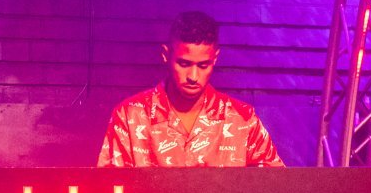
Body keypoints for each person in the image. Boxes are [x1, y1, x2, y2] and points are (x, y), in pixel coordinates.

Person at [96, 11, 284, 167]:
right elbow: (109, 190)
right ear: (166, 55)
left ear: (215, 59)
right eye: (184, 64)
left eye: (203, 65)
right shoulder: (130, 116)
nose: (193, 76)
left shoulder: (243, 119)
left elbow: (274, 189)